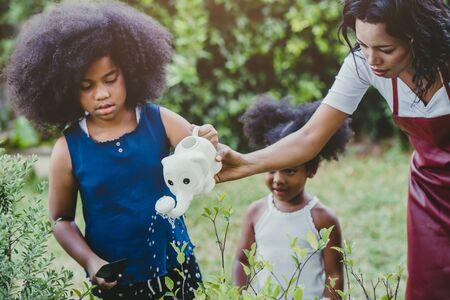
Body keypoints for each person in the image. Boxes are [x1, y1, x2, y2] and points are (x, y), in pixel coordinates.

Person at [216, 1, 450, 299]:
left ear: (417, 37)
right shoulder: (363, 65)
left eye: (386, 49)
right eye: (362, 45)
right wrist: (244, 164)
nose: (372, 59)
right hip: (430, 191)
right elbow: (310, 136)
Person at [6, 2, 218, 299]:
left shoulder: (160, 120)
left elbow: (202, 153)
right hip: (116, 284)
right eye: (87, 85)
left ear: (129, 72)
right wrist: (91, 261)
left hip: (175, 270)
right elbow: (61, 220)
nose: (101, 93)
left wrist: (208, 139)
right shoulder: (68, 149)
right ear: (67, 89)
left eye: (110, 79)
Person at [232, 97, 350, 299]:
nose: (278, 179)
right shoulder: (256, 213)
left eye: (289, 171)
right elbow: (242, 261)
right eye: (271, 170)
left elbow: (334, 276)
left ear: (311, 170)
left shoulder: (323, 220)